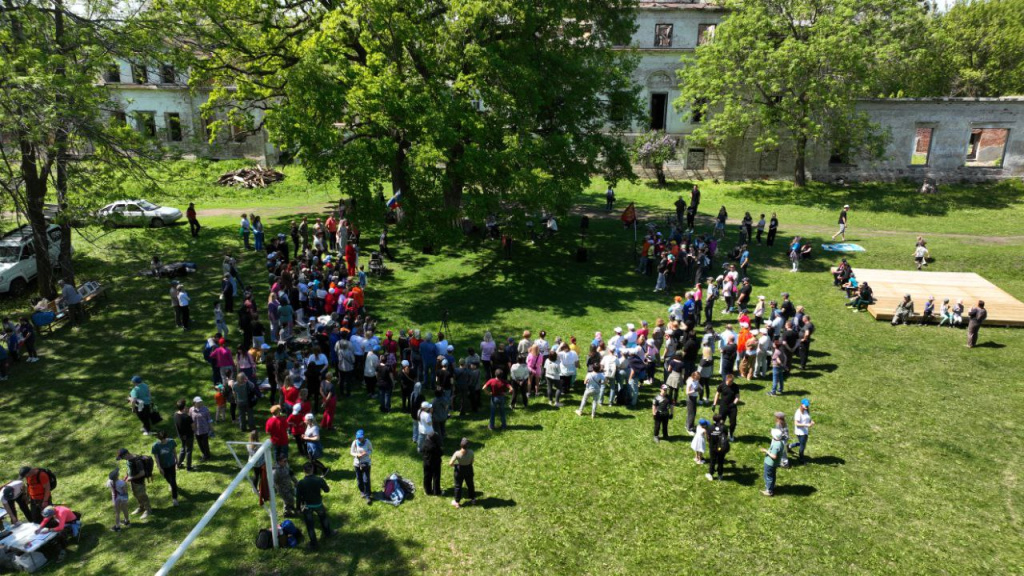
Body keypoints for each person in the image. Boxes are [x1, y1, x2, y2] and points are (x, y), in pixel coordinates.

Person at [295, 462, 333, 549]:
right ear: (312, 469)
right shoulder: (319, 479)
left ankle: (314, 543)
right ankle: (328, 533)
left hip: (307, 506)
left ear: (303, 471)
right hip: (318, 504)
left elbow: (298, 497)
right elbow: (327, 490)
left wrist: (298, 508)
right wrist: (326, 486)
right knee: (323, 518)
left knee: (310, 525)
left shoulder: (300, 483)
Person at [116, 448, 151, 519]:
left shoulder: (137, 461)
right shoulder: (129, 460)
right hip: (133, 482)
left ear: (127, 454)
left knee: (142, 495)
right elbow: (129, 469)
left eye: (122, 457)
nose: (123, 459)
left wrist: (131, 478)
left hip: (139, 482)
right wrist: (126, 476)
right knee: (136, 494)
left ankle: (148, 510)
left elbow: (142, 473)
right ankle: (141, 507)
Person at [151, 431, 179, 506]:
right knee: (167, 478)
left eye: (163, 439)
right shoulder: (155, 446)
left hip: (172, 464)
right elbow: (156, 458)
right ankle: (171, 484)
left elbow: (174, 452)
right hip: (163, 466)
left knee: (173, 481)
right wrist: (159, 467)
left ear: (166, 437)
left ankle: (174, 498)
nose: (162, 441)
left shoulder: (171, 442)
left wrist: (177, 461)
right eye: (161, 439)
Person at [449, 437, 476, 508]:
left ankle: (457, 502)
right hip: (469, 469)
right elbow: (472, 461)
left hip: (459, 470)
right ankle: (473, 499)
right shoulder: (471, 452)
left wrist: (456, 465)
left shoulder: (457, 453)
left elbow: (450, 463)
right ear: (468, 446)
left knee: (458, 486)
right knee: (470, 484)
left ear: (461, 445)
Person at [713, 373, 740, 442]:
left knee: (733, 422)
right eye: (728, 382)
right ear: (726, 379)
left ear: (732, 381)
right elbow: (717, 394)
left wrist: (734, 403)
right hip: (723, 407)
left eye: (730, 382)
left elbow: (737, 396)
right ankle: (721, 434)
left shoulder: (735, 386)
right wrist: (714, 404)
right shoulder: (722, 385)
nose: (728, 384)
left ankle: (731, 434)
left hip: (732, 407)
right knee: (721, 422)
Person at [350, 429, 373, 504]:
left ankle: (368, 496)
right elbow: (351, 452)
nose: (359, 439)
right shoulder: (355, 442)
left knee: (366, 480)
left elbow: (371, 450)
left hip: (366, 463)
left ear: (363, 436)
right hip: (357, 464)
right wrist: (357, 455)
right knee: (359, 480)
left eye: (360, 437)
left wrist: (365, 453)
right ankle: (362, 491)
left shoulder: (367, 442)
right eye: (358, 437)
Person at [705, 413, 730, 481]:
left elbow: (708, 437)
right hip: (721, 447)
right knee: (720, 461)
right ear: (721, 420)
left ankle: (710, 474)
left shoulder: (709, 427)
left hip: (713, 447)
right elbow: (726, 436)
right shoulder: (724, 427)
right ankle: (720, 475)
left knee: (712, 461)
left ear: (713, 419)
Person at [760, 428, 785, 496]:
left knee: (768, 476)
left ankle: (769, 491)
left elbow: (774, 456)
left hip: (770, 463)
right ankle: (772, 486)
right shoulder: (780, 442)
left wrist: (766, 451)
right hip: (774, 464)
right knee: (772, 475)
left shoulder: (776, 445)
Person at [174, 399, 195, 471]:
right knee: (189, 450)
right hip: (189, 436)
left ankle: (179, 464)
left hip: (181, 436)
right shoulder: (187, 417)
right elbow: (193, 427)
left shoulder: (176, 415)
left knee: (183, 449)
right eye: (186, 406)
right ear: (184, 407)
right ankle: (189, 467)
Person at [190, 396, 213, 461]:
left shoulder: (205, 409)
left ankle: (207, 456)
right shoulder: (191, 410)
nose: (200, 403)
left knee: (205, 443)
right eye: (198, 402)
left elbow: (209, 419)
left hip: (204, 429)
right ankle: (205, 454)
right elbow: (190, 419)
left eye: (200, 402)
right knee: (200, 444)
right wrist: (191, 428)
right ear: (194, 403)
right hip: (196, 430)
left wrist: (211, 428)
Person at [421, 431, 443, 496]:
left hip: (426, 463)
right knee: (436, 477)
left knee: (427, 476)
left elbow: (422, 450)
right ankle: (436, 491)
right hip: (435, 463)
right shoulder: (435, 446)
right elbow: (440, 453)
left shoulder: (425, 443)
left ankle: (427, 491)